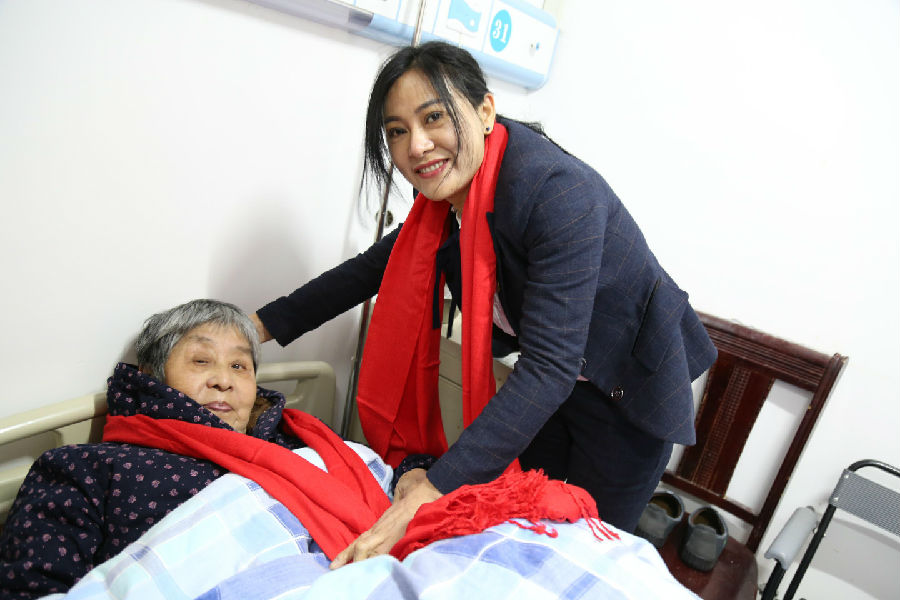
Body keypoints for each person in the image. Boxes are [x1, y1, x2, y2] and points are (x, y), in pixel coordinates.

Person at [252, 41, 717, 568]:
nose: (417, 145)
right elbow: (372, 268)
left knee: (582, 550)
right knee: (519, 519)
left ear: (485, 111)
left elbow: (549, 366)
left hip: (626, 387)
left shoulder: (557, 193)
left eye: (433, 118)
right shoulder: (449, 200)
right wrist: (255, 326)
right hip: (558, 387)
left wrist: (433, 489)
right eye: (397, 131)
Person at [0, 299, 391, 599]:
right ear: (152, 377)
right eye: (202, 361)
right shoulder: (85, 468)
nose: (224, 380)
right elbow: (31, 586)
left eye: (239, 366)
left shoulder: (305, 443)